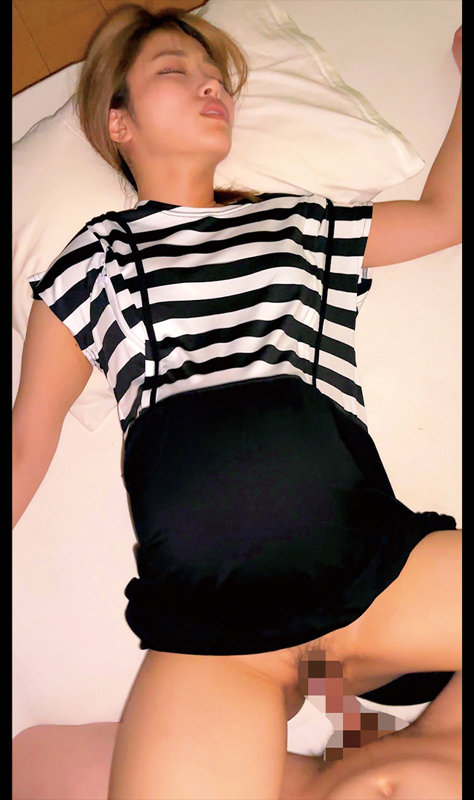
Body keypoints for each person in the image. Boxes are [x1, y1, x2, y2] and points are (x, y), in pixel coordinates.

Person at [12, 5, 461, 798]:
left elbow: (444, 217)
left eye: (216, 76)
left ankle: (381, 747)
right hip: (216, 637)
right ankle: (354, 756)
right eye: (174, 70)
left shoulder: (298, 222)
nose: (210, 86)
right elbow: (24, 446)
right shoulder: (94, 262)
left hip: (378, 578)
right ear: (119, 122)